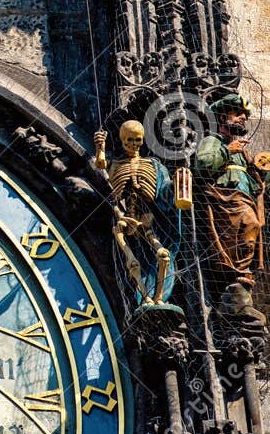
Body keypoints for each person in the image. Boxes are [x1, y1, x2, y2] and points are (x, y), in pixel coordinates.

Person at [194, 92, 266, 314]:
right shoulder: (213, 141)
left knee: (252, 229)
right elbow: (203, 165)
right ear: (223, 118)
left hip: (244, 199)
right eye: (237, 114)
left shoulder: (242, 150)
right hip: (225, 200)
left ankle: (242, 278)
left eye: (244, 115)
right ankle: (234, 281)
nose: (242, 118)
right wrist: (228, 150)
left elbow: (255, 182)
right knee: (246, 226)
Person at [93, 120, 178, 308]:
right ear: (123, 141)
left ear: (143, 140)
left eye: (137, 140)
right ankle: (144, 297)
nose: (133, 144)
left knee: (163, 255)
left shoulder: (154, 166)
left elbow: (164, 193)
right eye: (129, 140)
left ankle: (159, 297)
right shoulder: (115, 164)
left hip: (148, 219)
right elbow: (101, 170)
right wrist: (100, 148)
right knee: (133, 261)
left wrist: (176, 185)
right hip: (124, 220)